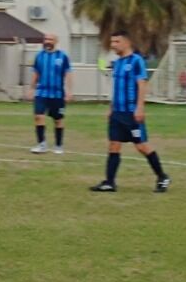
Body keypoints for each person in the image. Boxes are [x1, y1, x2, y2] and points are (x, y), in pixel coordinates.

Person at [91, 31, 169, 193]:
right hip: (117, 112)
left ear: (127, 42)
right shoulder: (118, 63)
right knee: (114, 145)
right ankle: (109, 182)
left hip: (131, 113)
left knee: (141, 146)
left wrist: (140, 107)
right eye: (112, 42)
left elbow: (142, 85)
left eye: (117, 42)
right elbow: (116, 88)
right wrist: (111, 108)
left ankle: (162, 177)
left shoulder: (136, 61)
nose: (113, 45)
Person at [29, 32, 73, 154]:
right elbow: (36, 73)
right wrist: (31, 88)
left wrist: (69, 91)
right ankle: (41, 144)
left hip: (57, 94)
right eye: (46, 39)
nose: (47, 41)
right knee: (38, 116)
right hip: (41, 92)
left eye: (50, 39)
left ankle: (58, 145)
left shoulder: (62, 56)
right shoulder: (39, 56)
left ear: (56, 41)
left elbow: (68, 74)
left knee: (58, 120)